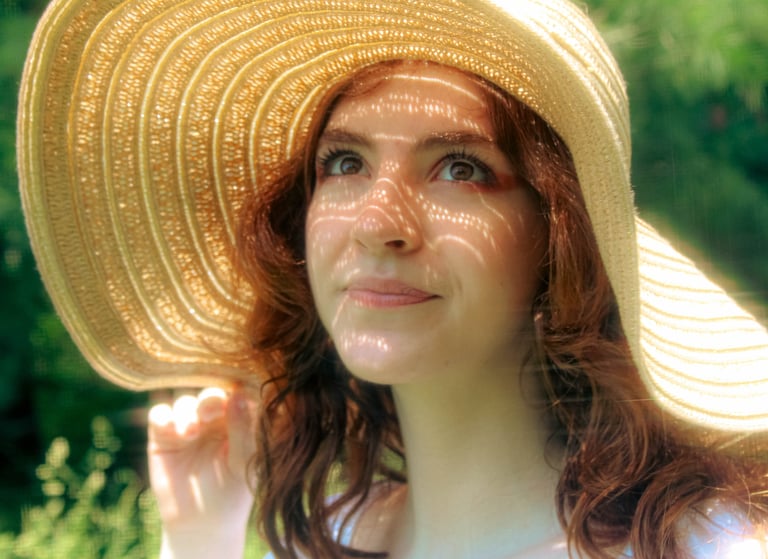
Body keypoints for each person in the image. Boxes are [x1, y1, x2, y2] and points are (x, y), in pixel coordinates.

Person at [16, 0, 768, 558]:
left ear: (560, 240)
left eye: (460, 168)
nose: (380, 222)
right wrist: (199, 538)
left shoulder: (706, 546)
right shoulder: (328, 538)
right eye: (344, 163)